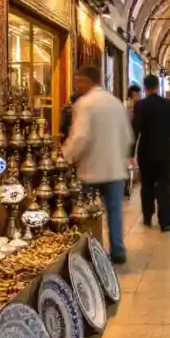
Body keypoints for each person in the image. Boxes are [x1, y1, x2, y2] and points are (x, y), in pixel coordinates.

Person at [62, 65, 133, 263]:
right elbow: (127, 136)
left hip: (92, 169)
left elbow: (80, 137)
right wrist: (121, 158)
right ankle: (118, 251)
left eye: (78, 81)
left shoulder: (85, 104)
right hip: (114, 168)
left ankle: (89, 252)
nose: (76, 86)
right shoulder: (116, 103)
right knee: (114, 211)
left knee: (87, 212)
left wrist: (64, 156)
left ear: (87, 81)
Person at [132, 74, 170, 231]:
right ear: (157, 87)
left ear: (145, 87)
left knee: (146, 185)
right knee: (164, 186)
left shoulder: (140, 105)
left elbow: (135, 130)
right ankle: (165, 222)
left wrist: (130, 153)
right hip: (164, 152)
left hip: (145, 152)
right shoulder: (169, 105)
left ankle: (147, 217)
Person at [124, 83, 142, 197]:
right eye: (137, 95)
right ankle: (127, 186)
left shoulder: (139, 110)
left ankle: (130, 184)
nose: (139, 97)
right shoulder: (128, 112)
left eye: (139, 95)